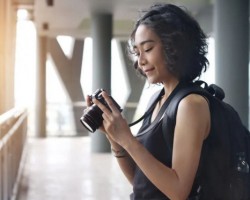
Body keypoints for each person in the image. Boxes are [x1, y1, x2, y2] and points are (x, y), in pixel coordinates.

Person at [87, 3, 210, 200]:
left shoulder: (191, 105)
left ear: (175, 46)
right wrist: (114, 138)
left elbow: (178, 191)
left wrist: (128, 139)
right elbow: (141, 181)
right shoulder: (157, 99)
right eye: (137, 52)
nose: (140, 61)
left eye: (148, 48)